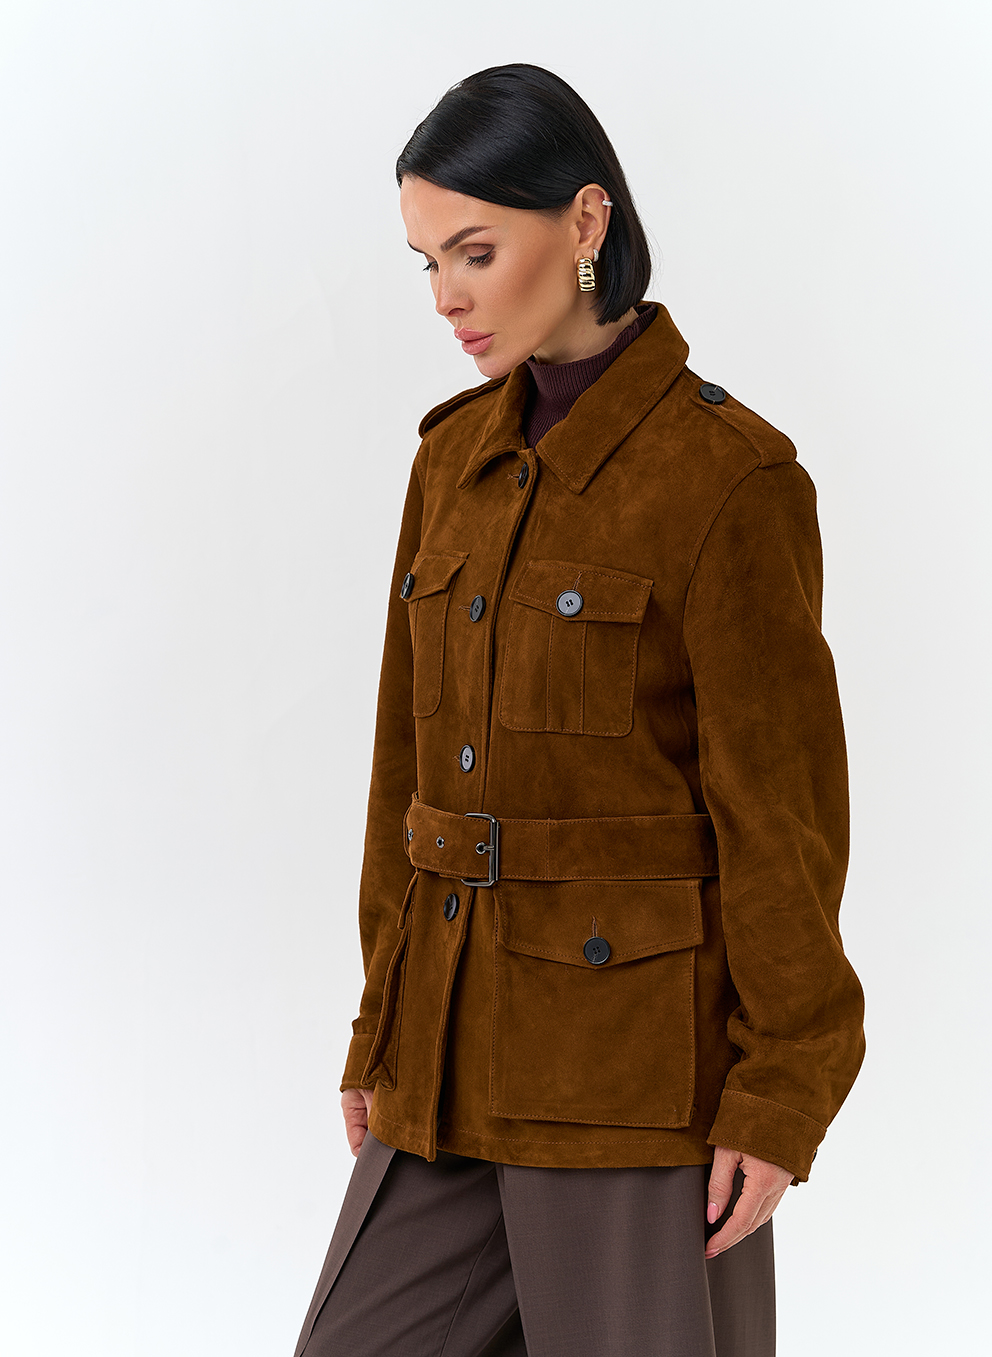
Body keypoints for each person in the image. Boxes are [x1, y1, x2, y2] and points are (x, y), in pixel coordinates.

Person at [293, 63, 866, 1357]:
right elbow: (402, 776)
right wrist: (379, 1029)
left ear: (587, 223)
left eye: (476, 251)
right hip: (443, 1058)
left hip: (632, 1076)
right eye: (427, 261)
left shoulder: (730, 480)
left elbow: (783, 824)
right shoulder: (452, 461)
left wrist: (783, 1090)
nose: (446, 296)